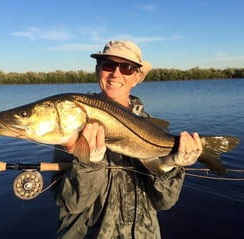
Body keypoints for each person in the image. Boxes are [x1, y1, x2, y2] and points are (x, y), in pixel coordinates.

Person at [52, 40, 202, 238]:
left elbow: (164, 202)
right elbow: (71, 203)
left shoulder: (150, 126)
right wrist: (88, 165)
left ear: (137, 77)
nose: (116, 73)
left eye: (127, 68)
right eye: (108, 65)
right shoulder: (73, 122)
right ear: (98, 70)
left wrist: (167, 167)